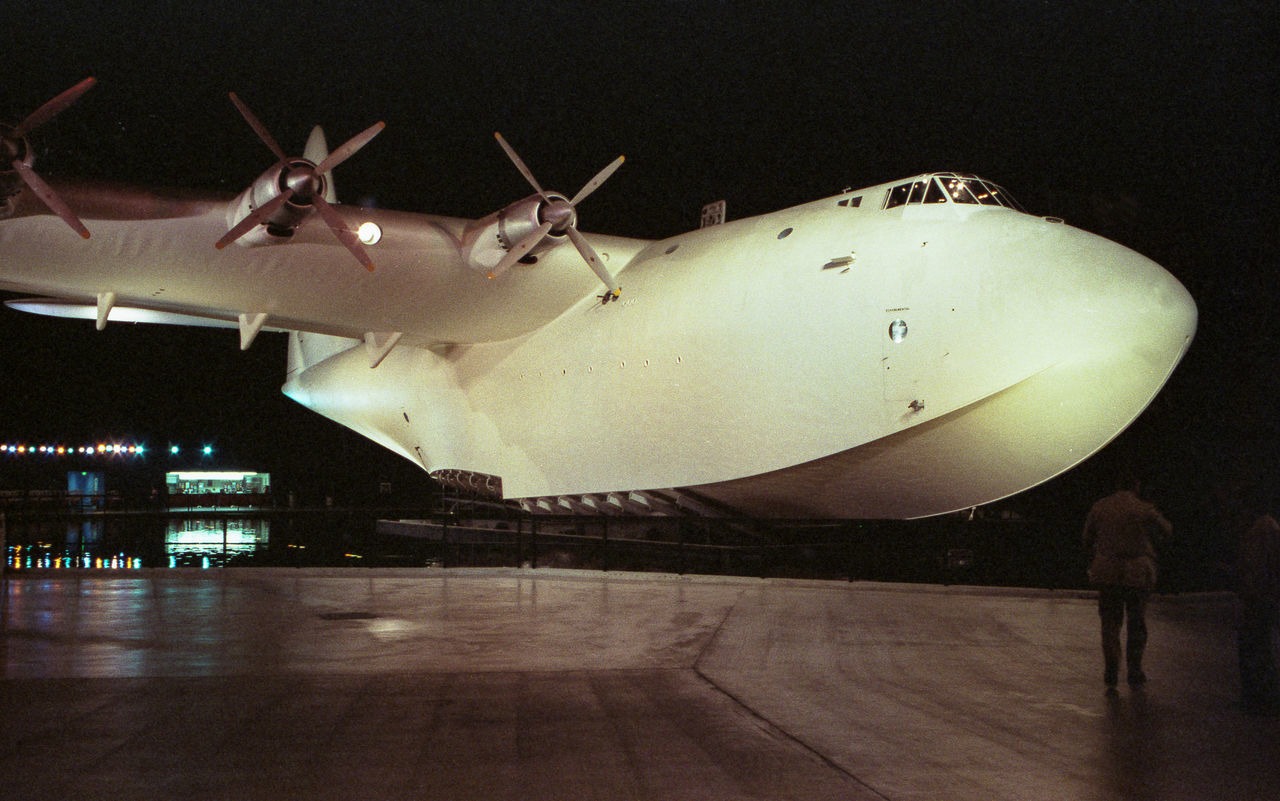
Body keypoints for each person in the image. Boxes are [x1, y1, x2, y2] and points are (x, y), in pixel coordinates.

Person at [1083, 479, 1172, 691]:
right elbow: (1166, 530)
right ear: (1136, 486)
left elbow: (1086, 538)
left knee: (1110, 623)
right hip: (1137, 572)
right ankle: (1134, 669)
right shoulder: (1143, 509)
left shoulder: (1100, 506)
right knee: (1136, 622)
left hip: (1108, 570)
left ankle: (1111, 668)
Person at [1237, 510, 1280, 715]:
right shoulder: (1268, 528)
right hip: (1265, 593)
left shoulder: (1261, 530)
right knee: (1261, 644)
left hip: (1260, 594)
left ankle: (1260, 693)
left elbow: (1258, 567)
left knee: (1255, 643)